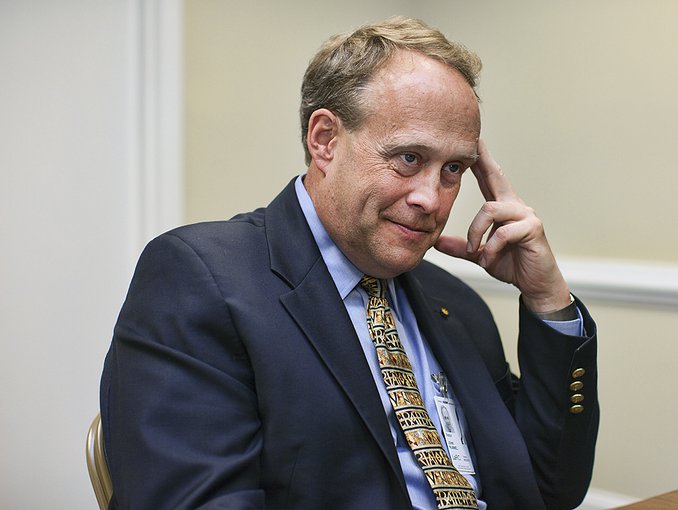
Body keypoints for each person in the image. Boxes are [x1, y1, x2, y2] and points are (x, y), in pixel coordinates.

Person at [100, 16, 598, 510]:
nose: (432, 197)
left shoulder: (454, 302)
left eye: (453, 169)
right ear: (325, 140)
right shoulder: (200, 279)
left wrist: (546, 301)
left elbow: (549, 489)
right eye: (407, 158)